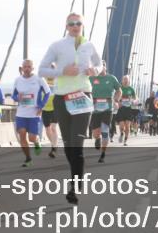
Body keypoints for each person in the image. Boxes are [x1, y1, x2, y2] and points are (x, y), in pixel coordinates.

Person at [38, 13, 102, 205]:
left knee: (77, 144)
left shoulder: (89, 45)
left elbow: (100, 64)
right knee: (68, 146)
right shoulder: (57, 46)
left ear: (83, 25)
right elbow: (41, 70)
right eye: (71, 24)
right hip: (62, 98)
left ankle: (74, 186)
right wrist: (61, 71)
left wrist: (95, 70)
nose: (75, 26)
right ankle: (78, 177)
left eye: (78, 23)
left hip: (83, 96)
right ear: (66, 26)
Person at [10, 60, 49, 168]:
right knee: (22, 134)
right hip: (21, 113)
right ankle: (28, 158)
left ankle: (36, 142)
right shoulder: (18, 80)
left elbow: (48, 93)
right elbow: (13, 95)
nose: (26, 68)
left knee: (32, 138)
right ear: (22, 68)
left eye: (29, 67)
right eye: (25, 67)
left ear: (32, 68)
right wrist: (17, 98)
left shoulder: (39, 79)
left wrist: (41, 106)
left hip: (34, 113)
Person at [89, 68, 121, 163]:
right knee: (95, 133)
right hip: (95, 109)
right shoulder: (91, 78)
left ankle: (103, 154)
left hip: (108, 109)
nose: (99, 68)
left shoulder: (111, 78)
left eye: (101, 66)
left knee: (105, 130)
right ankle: (97, 139)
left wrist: (116, 100)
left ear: (105, 67)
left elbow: (119, 90)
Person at [116, 75, 137, 145]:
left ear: (129, 81)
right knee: (121, 126)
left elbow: (135, 98)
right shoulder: (119, 88)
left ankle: (125, 141)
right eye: (124, 79)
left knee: (127, 126)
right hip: (121, 109)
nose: (125, 81)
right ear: (122, 81)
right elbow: (115, 97)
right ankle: (122, 133)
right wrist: (118, 102)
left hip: (128, 109)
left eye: (126, 80)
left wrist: (134, 101)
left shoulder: (131, 89)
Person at [41, 77, 58, 157]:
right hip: (45, 108)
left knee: (53, 128)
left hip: (55, 107)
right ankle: (54, 144)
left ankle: (53, 148)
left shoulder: (57, 78)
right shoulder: (43, 79)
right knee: (47, 129)